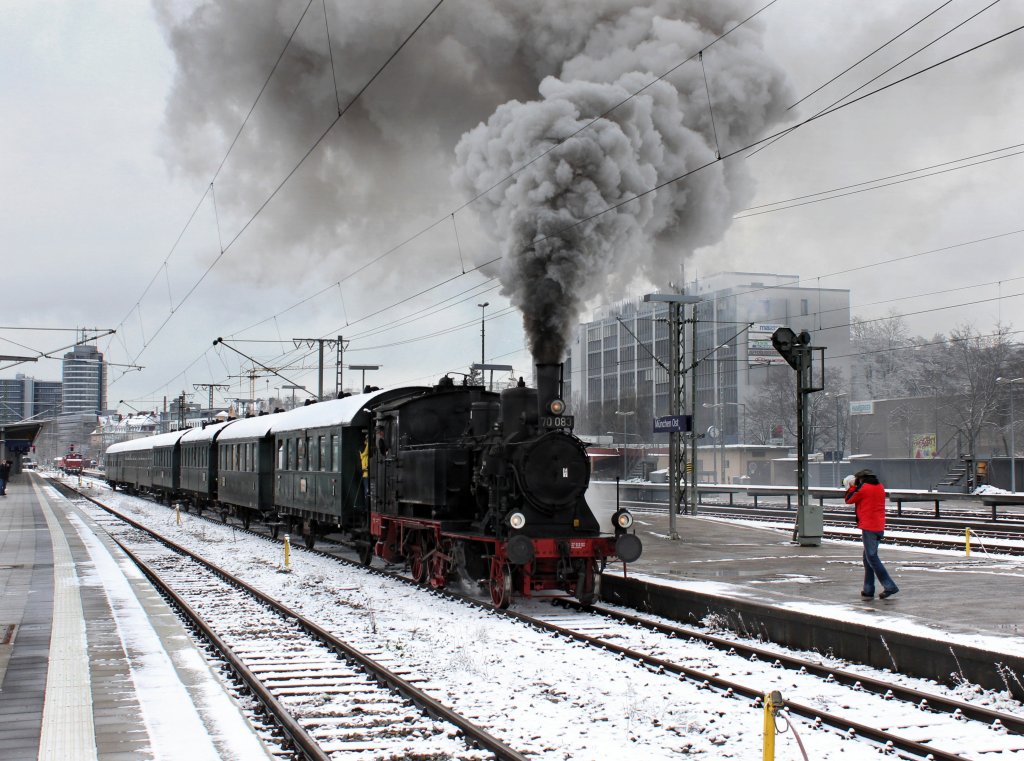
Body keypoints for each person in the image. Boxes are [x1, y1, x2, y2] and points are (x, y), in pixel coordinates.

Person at [844, 468, 899, 599]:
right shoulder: (880, 487)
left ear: (861, 479)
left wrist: (851, 486)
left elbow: (849, 500)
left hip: (869, 527)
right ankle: (868, 589)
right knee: (867, 558)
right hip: (879, 526)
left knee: (872, 558)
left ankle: (889, 586)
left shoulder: (864, 488)